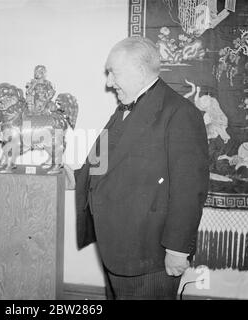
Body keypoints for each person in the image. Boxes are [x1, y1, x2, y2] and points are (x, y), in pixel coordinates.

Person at [66, 36, 209, 300]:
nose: (108, 82)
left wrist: (178, 249)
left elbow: (189, 189)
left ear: (139, 71)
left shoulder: (180, 113)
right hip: (117, 248)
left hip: (148, 255)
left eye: (113, 73)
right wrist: (74, 176)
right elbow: (104, 159)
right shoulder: (124, 108)